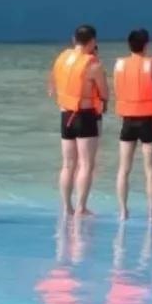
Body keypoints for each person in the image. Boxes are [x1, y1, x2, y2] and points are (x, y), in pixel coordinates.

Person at [48, 24, 108, 217]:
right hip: (85, 116)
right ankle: (81, 207)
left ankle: (67, 207)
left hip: (66, 115)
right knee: (86, 164)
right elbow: (104, 93)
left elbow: (52, 86)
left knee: (67, 164)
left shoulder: (62, 58)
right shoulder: (93, 65)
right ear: (93, 41)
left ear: (74, 40)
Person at [114, 29, 152, 224]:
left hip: (127, 120)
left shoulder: (119, 64)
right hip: (147, 121)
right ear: (146, 45)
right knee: (151, 170)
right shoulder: (151, 64)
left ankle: (123, 212)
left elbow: (117, 88)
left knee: (124, 169)